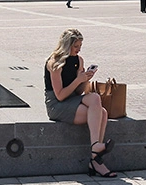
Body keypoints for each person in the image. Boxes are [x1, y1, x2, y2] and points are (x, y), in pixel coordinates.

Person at [43, 28, 116, 178]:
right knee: (100, 112)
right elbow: (60, 96)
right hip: (56, 104)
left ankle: (95, 154)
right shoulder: (54, 63)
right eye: (76, 46)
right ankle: (96, 157)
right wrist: (78, 80)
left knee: (100, 107)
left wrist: (85, 80)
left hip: (72, 99)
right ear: (66, 45)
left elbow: (78, 92)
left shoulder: (79, 60)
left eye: (80, 46)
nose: (79, 49)